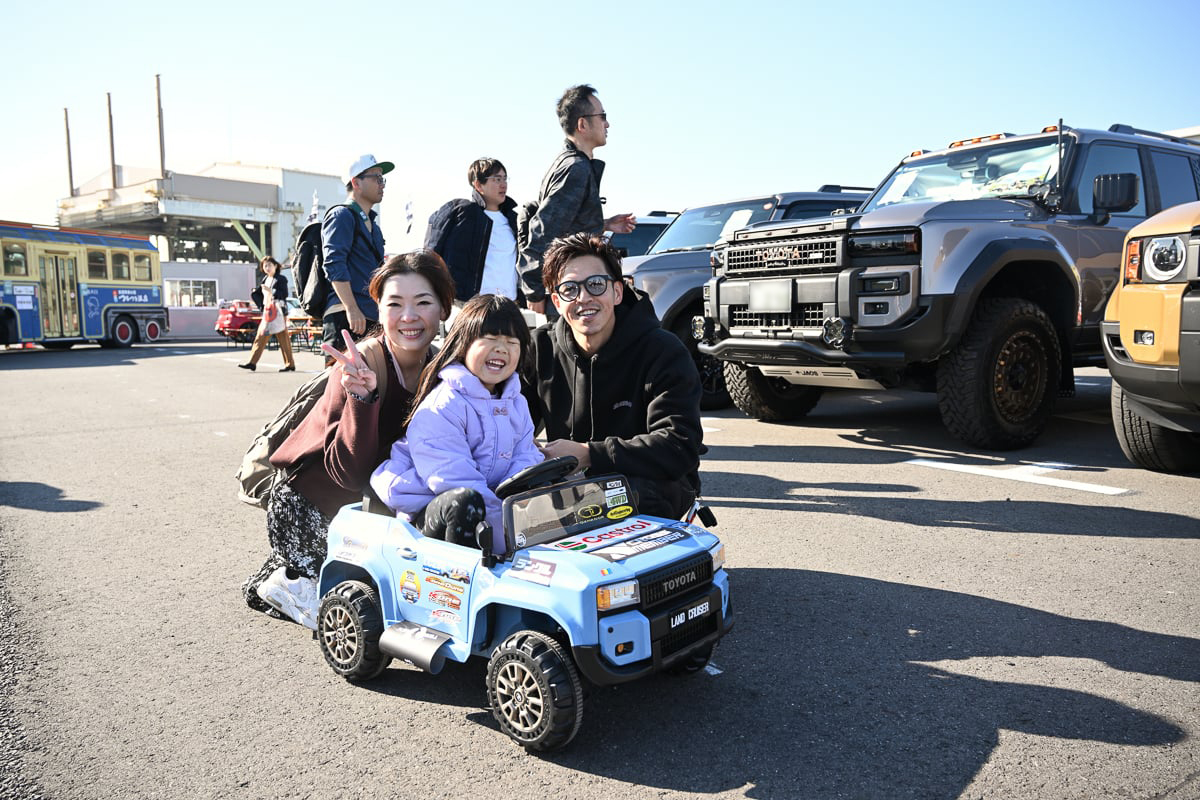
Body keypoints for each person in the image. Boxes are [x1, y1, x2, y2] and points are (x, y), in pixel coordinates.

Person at [242, 251, 455, 629]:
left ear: (443, 309)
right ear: (379, 310)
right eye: (394, 304)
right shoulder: (361, 363)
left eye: (423, 302)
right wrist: (362, 399)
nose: (408, 316)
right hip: (311, 508)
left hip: (377, 510)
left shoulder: (442, 368)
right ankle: (291, 577)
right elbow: (349, 475)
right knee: (369, 614)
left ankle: (287, 578)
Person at [525, 233, 704, 520]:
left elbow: (678, 445)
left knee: (632, 493)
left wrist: (588, 454)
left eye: (596, 284)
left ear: (617, 292)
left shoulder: (663, 351)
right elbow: (509, 424)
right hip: (570, 488)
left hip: (649, 485)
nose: (584, 298)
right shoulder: (539, 348)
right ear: (556, 301)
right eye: (570, 289)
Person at [371, 294, 542, 550]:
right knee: (466, 502)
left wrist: (529, 510)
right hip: (430, 511)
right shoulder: (443, 405)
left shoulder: (516, 403)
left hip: (493, 512)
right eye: (490, 339)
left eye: (511, 342)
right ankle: (461, 572)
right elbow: (453, 479)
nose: (501, 349)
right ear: (463, 345)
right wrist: (510, 541)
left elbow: (525, 458)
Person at [519, 85, 637, 315]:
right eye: (602, 116)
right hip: (568, 293)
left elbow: (564, 225)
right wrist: (534, 292)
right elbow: (542, 231)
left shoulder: (572, 164)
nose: (607, 124)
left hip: (571, 290)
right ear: (582, 124)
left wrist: (604, 224)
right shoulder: (575, 168)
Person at [322, 154, 392, 354]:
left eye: (383, 179)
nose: (382, 184)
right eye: (376, 178)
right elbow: (334, 263)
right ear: (356, 183)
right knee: (340, 373)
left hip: (368, 314)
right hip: (346, 315)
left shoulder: (373, 225)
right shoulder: (342, 215)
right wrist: (351, 308)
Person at [425, 158, 520, 303]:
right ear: (478, 185)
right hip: (471, 304)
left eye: (505, 178)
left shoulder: (514, 219)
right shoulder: (465, 215)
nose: (503, 184)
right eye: (497, 179)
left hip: (509, 303)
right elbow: (436, 254)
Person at [238, 256, 296, 372]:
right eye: (265, 266)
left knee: (282, 337)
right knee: (262, 335)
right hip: (268, 311)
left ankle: (289, 364)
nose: (267, 268)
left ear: (275, 266)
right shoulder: (265, 279)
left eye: (269, 265)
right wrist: (261, 304)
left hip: (278, 311)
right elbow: (259, 294)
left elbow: (284, 294)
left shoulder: (281, 279)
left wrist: (271, 292)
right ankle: (253, 362)